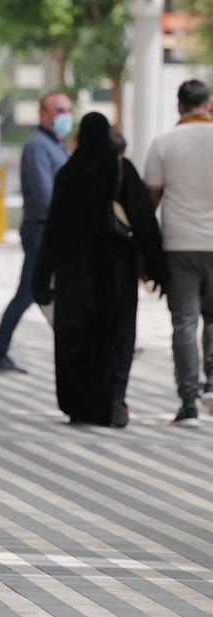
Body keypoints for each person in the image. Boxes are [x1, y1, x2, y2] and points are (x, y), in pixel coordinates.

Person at [32, 113, 166, 427]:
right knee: (117, 335)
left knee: (75, 337)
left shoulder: (68, 173)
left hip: (73, 273)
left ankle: (78, 405)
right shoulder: (120, 168)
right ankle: (113, 399)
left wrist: (41, 277)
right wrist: (158, 267)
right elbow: (143, 221)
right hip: (115, 270)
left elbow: (53, 230)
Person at [143, 79, 213, 427]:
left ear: (179, 106)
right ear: (209, 104)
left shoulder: (164, 143)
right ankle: (212, 384)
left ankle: (189, 404)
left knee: (184, 323)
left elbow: (150, 201)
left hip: (179, 244)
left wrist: (145, 252)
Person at [0, 91, 72, 373]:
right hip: (41, 230)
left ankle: (81, 345)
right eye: (59, 111)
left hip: (53, 230)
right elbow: (46, 195)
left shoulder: (58, 145)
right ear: (43, 115)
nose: (65, 117)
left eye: (68, 110)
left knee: (51, 292)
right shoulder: (38, 146)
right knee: (28, 293)